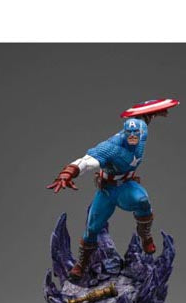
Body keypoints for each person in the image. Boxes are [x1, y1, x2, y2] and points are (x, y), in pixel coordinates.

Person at [47, 102, 176, 280]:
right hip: (107, 191)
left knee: (142, 201)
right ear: (125, 133)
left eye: (137, 135)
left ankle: (145, 235)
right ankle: (82, 264)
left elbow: (143, 117)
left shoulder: (141, 130)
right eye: (130, 135)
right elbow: (87, 161)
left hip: (126, 187)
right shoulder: (111, 147)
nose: (134, 139)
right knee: (92, 227)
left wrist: (154, 111)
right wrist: (68, 173)